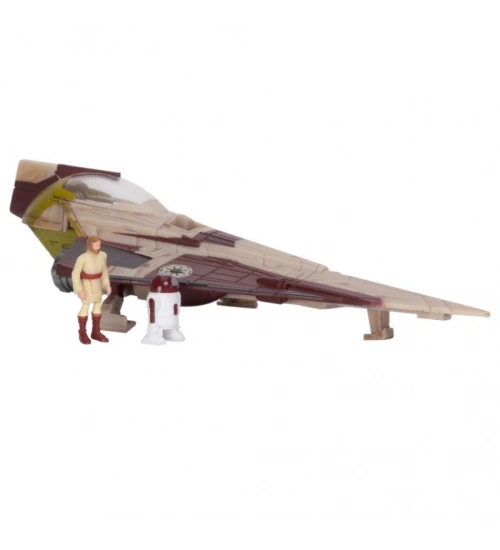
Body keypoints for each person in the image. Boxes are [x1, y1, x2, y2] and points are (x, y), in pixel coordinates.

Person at [72, 236, 111, 344]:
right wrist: (79, 290)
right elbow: (75, 274)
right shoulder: (83, 258)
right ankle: (82, 332)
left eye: (99, 244)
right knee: (85, 305)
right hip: (87, 285)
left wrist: (107, 285)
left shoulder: (103, 255)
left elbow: (104, 271)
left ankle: (95, 331)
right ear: (90, 245)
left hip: (97, 284)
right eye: (96, 245)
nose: (98, 246)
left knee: (98, 305)